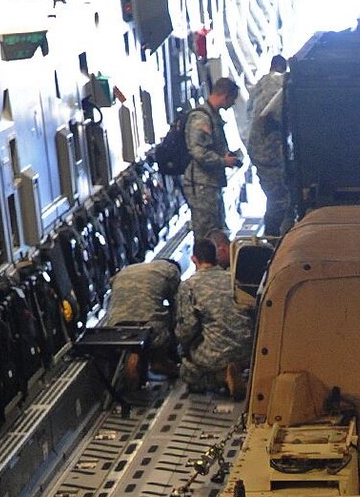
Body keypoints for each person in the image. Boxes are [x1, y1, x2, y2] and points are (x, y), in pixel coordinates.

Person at [174, 236, 254, 398]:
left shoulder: (189, 285)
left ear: (193, 259)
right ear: (216, 256)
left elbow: (187, 328)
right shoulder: (233, 278)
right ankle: (237, 368)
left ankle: (220, 377)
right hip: (248, 350)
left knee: (187, 370)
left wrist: (182, 347)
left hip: (215, 354)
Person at [101, 255, 181, 390]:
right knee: (169, 315)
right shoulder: (171, 270)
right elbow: (179, 305)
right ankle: (160, 361)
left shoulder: (127, 269)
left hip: (116, 323)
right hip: (148, 326)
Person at [183, 76, 242, 241]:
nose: (233, 104)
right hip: (201, 185)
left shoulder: (212, 116)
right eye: (232, 99)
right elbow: (198, 152)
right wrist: (223, 161)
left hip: (209, 183)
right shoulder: (201, 118)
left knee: (215, 230)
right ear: (225, 96)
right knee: (205, 234)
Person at [246, 55, 294, 238]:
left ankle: (272, 235)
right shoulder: (278, 84)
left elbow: (250, 113)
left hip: (258, 150)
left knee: (276, 197)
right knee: (280, 200)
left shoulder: (261, 83)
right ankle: (273, 237)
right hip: (269, 153)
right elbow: (278, 117)